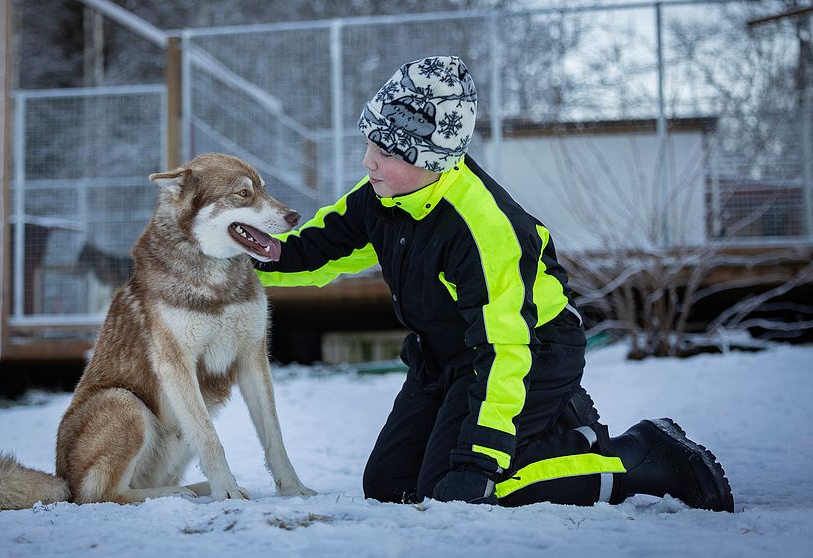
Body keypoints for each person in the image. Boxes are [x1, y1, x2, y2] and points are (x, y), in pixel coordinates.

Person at [255, 56, 734, 511]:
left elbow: (506, 349)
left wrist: (480, 458)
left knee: (466, 488)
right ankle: (551, 420)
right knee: (390, 488)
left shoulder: (484, 231)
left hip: (530, 353)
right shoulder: (384, 196)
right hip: (448, 355)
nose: (367, 162)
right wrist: (245, 256)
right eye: (369, 145)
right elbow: (318, 248)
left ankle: (638, 457)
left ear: (430, 157)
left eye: (383, 151)